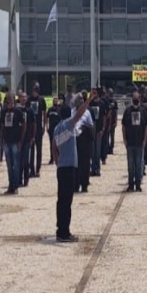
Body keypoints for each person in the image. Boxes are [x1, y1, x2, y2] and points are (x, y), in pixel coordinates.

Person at [52, 90, 93, 242]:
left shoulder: (57, 128)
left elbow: (53, 148)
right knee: (67, 202)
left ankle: (60, 229)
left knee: (61, 200)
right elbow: (80, 114)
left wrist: (57, 163)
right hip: (69, 168)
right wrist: (89, 100)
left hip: (62, 167)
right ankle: (65, 232)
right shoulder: (69, 125)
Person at [122, 91, 147, 192]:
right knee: (130, 165)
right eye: (134, 98)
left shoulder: (143, 111)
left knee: (138, 164)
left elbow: (146, 126)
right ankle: (130, 184)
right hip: (130, 143)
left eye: (137, 98)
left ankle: (138, 184)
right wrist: (124, 139)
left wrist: (145, 140)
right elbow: (123, 126)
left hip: (139, 142)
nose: (136, 100)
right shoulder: (127, 111)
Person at [0, 93, 25, 194]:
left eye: (9, 100)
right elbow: (2, 125)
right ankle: (11, 185)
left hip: (15, 141)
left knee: (16, 164)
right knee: (9, 165)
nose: (8, 102)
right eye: (7, 100)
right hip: (7, 141)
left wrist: (21, 140)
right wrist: (2, 139)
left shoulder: (18, 111)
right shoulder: (4, 111)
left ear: (13, 100)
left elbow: (24, 125)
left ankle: (16, 185)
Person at [74, 92, 95, 193]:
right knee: (76, 164)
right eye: (79, 100)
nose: (80, 101)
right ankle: (76, 184)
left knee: (85, 164)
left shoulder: (87, 113)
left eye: (82, 99)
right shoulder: (72, 111)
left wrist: (84, 128)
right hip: (75, 140)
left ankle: (84, 184)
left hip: (85, 140)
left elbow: (91, 126)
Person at [18, 91, 36, 186]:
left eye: (25, 97)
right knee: (19, 161)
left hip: (27, 139)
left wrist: (33, 137)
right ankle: (19, 180)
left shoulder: (30, 110)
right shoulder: (17, 110)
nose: (23, 98)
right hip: (18, 139)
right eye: (22, 97)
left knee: (26, 160)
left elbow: (34, 124)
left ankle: (26, 180)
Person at [88, 88, 106, 176]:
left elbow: (104, 117)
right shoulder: (90, 104)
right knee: (92, 151)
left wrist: (103, 129)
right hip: (91, 130)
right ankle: (92, 169)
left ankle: (97, 169)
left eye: (95, 93)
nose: (93, 94)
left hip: (98, 130)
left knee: (98, 151)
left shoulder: (102, 104)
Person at [46, 97, 61, 165]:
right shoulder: (50, 109)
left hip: (58, 129)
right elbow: (46, 118)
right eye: (54, 101)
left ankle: (58, 157)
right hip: (51, 129)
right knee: (51, 144)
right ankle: (52, 158)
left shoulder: (59, 110)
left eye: (56, 101)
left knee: (59, 144)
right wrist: (47, 127)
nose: (55, 102)